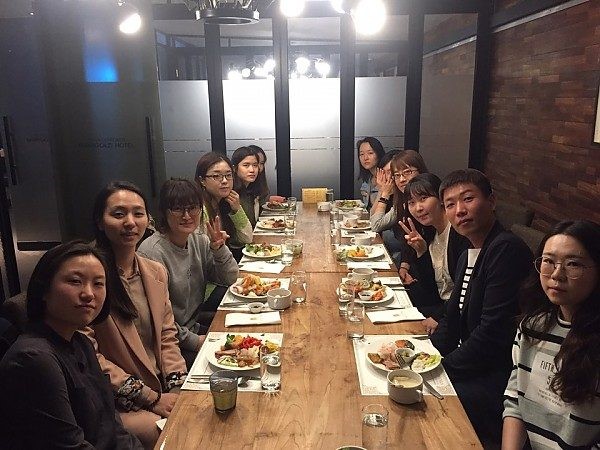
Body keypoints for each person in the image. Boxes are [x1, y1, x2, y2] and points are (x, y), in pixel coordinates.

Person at [0, 240, 142, 449]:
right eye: (75, 281)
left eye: (98, 283)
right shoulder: (33, 358)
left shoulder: (81, 343)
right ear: (44, 289)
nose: (89, 294)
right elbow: (70, 445)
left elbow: (112, 427)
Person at [430, 169, 533, 446]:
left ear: (492, 201)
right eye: (450, 204)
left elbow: (493, 334)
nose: (460, 210)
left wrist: (441, 370)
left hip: (497, 377)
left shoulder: (505, 249)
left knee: (424, 404)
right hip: (471, 363)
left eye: (468, 199)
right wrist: (424, 357)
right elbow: (451, 321)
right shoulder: (468, 254)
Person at [85, 181, 188, 449]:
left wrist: (177, 386)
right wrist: (152, 399)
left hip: (161, 387)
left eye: (138, 213)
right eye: (118, 214)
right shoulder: (90, 279)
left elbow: (167, 335)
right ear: (100, 221)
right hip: (116, 400)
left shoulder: (155, 271)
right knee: (175, 435)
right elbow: (90, 357)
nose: (130, 222)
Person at [503, 220, 600, 449]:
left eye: (573, 264)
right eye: (548, 261)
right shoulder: (532, 326)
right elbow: (515, 399)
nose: (557, 274)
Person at [138, 178, 239, 368]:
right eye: (177, 209)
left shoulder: (198, 239)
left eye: (193, 208)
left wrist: (219, 249)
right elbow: (155, 320)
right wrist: (196, 341)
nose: (186, 216)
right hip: (171, 346)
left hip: (193, 328)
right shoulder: (152, 253)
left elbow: (231, 278)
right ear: (164, 212)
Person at [398, 174, 470, 322]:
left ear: (441, 198)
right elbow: (431, 289)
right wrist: (422, 253)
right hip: (439, 307)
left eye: (423, 198)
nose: (418, 208)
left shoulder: (459, 233)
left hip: (455, 314)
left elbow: (465, 290)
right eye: (412, 202)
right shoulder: (430, 234)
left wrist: (437, 318)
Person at [369, 149, 428, 283]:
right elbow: (372, 219)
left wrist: (384, 193)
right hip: (410, 262)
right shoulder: (401, 200)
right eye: (396, 175)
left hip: (421, 268)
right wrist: (382, 192)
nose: (401, 179)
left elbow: (375, 225)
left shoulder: (421, 201)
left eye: (407, 172)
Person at [195, 152, 253, 261]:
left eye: (229, 175)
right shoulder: (199, 210)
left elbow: (247, 238)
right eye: (216, 176)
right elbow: (203, 256)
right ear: (202, 180)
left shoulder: (224, 203)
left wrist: (237, 209)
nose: (225, 181)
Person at [232, 146, 262, 228]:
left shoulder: (250, 188)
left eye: (255, 165)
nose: (252, 170)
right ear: (234, 168)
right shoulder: (233, 192)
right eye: (246, 165)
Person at [357, 137, 385, 209]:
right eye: (362, 154)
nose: (365, 158)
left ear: (379, 154)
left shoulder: (386, 178)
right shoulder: (368, 178)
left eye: (370, 153)